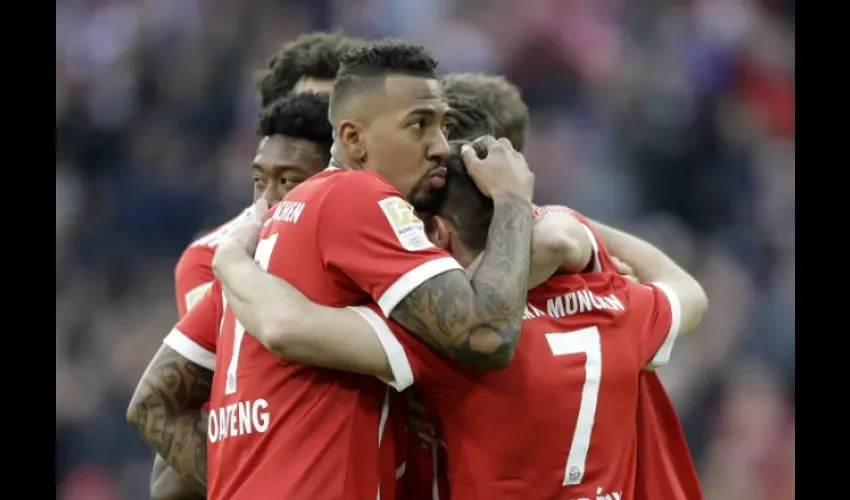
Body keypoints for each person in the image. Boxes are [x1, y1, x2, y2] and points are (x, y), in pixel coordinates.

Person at [145, 38, 537, 500]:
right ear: (352, 138)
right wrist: (514, 202)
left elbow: (152, 405)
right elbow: (487, 334)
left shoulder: (259, 244)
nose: (439, 146)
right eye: (418, 125)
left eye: (443, 126)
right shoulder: (357, 197)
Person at [211, 141, 708, 499]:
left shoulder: (449, 337)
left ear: (439, 234)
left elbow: (286, 326)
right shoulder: (614, 304)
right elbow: (688, 290)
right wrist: (570, 221)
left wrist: (230, 259)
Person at [127, 91, 334, 494]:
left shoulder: (359, 255)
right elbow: (155, 410)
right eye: (259, 181)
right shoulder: (220, 264)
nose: (268, 200)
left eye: (288, 182)